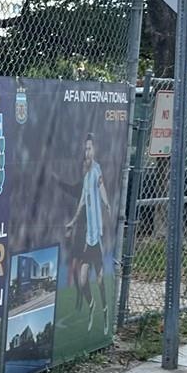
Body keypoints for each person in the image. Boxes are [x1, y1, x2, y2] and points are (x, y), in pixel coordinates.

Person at [65, 133, 114, 332]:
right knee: (83, 278)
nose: (87, 152)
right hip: (88, 238)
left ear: (94, 150)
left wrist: (106, 202)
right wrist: (73, 221)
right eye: (85, 149)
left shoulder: (96, 170)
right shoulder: (86, 177)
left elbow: (101, 187)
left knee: (100, 280)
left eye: (89, 148)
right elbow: (82, 203)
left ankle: (105, 310)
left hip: (97, 236)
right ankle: (92, 305)